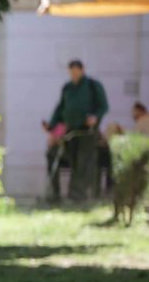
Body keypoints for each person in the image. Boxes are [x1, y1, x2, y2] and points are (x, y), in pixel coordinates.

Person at [43, 59, 108, 201]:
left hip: (86, 133)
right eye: (71, 72)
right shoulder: (67, 88)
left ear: (82, 70)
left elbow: (103, 106)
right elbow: (60, 110)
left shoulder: (92, 86)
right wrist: (53, 130)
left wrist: (95, 117)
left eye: (76, 72)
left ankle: (79, 197)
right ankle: (56, 195)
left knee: (82, 163)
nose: (73, 75)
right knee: (58, 157)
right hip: (69, 132)